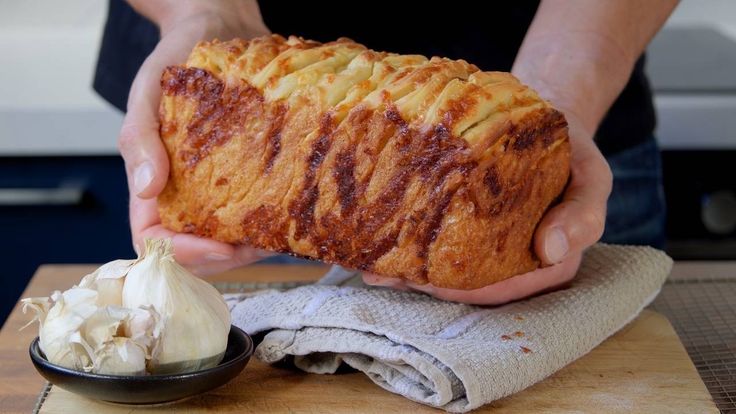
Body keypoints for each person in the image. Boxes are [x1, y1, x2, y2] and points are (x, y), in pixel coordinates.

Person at [96, 0, 677, 305]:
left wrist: (558, 91)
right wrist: (205, 14)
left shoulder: (531, 137)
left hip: (574, 95)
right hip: (210, 102)